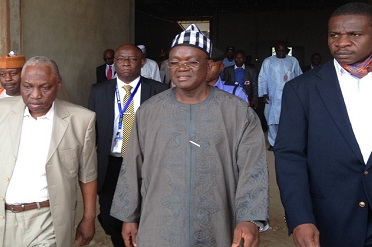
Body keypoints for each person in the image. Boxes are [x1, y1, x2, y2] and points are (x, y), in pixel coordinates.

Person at [110, 24, 269, 247]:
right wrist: (128, 215)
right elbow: (132, 164)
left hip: (218, 225)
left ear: (209, 66)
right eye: (174, 62)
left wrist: (250, 218)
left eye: (192, 61)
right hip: (159, 224)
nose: (181, 68)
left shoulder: (237, 113)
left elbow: (253, 169)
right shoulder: (150, 111)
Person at [275, 3, 372, 246]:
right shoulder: (302, 89)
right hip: (331, 222)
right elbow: (290, 156)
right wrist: (300, 218)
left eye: (354, 35)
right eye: (334, 35)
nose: (341, 42)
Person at [0, 56, 97, 247]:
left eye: (45, 87)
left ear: (58, 84)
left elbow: (87, 175)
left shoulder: (81, 120)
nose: (35, 95)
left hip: (48, 219)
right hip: (1, 218)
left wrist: (89, 217)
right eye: (27, 86)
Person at [88, 44, 168, 247]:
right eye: (120, 59)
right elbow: (93, 132)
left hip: (145, 164)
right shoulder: (99, 91)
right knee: (109, 217)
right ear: (114, 62)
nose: (125, 62)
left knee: (144, 213)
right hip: (111, 164)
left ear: (142, 62)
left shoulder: (158, 90)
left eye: (132, 59)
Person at [258, 41, 302, 151]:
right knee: (272, 120)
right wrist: (264, 93)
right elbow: (262, 77)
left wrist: (298, 93)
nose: (281, 52)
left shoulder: (293, 61)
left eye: (283, 50)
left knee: (288, 119)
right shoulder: (268, 61)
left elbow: (299, 77)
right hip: (272, 95)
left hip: (289, 96)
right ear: (275, 50)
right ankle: (273, 143)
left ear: (286, 50)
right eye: (279, 50)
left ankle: (287, 142)